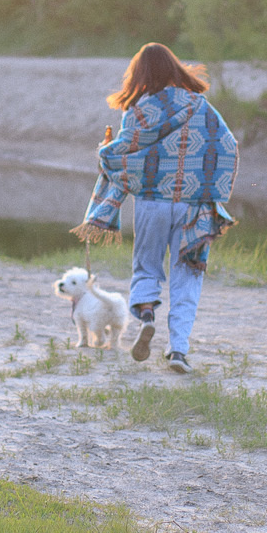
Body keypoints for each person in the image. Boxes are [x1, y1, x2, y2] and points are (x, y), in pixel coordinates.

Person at [71, 42, 239, 374]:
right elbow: (228, 146)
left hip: (152, 203)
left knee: (147, 267)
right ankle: (178, 350)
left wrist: (105, 150)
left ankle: (147, 315)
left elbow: (122, 157)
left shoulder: (137, 111)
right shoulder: (200, 106)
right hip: (193, 207)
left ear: (140, 74)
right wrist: (210, 189)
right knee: (187, 275)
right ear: (176, 68)